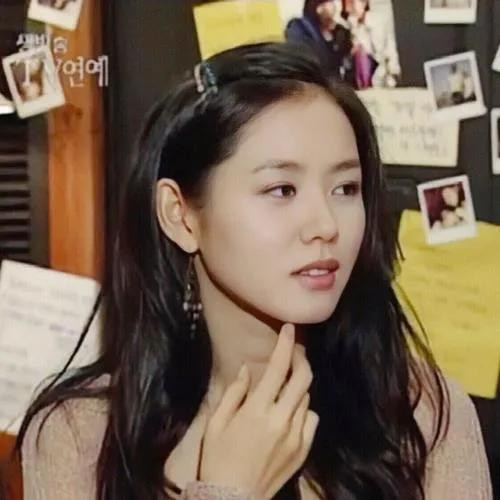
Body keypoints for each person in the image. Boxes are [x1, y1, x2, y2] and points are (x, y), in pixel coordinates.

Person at [3, 42, 493, 499]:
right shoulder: (79, 433)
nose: (326, 225)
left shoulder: (423, 415)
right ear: (180, 216)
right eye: (282, 190)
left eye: (345, 189)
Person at [285, 0, 354, 84]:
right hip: (312, 84)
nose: (336, 6)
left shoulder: (338, 32)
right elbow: (308, 61)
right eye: (331, 2)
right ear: (319, 8)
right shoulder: (300, 27)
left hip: (333, 85)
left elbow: (344, 64)